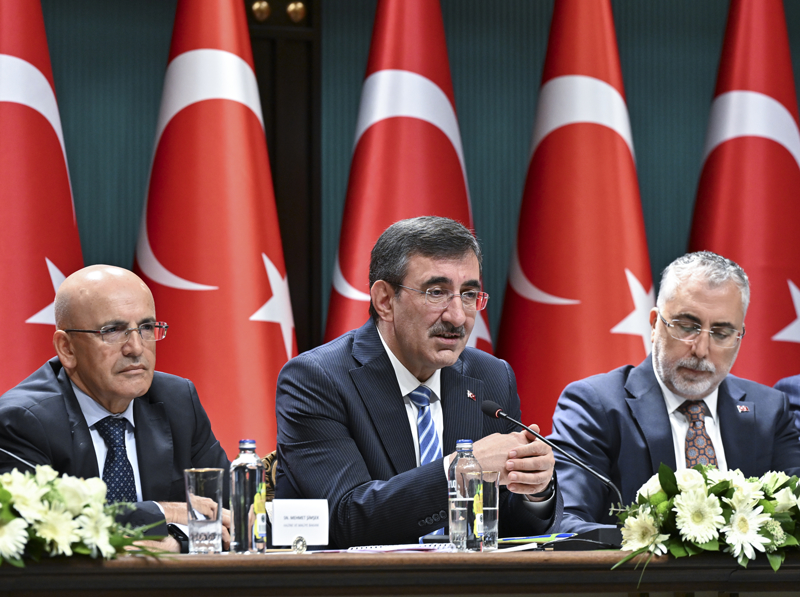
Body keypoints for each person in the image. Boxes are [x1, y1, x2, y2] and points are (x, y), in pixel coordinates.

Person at [276, 216, 562, 548]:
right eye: (436, 293)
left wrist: (535, 489)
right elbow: (346, 519)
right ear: (385, 301)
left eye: (469, 294)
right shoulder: (317, 379)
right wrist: (459, 471)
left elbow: (509, 527)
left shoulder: (491, 377)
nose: (458, 316)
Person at [549, 251, 800, 534]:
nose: (701, 350)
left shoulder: (769, 411)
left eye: (721, 333)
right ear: (654, 324)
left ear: (740, 336)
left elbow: (795, 518)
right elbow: (565, 523)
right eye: (687, 327)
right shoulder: (595, 405)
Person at [0, 265, 230, 550]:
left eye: (146, 328)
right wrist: (163, 512)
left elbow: (228, 514)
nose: (136, 347)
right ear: (67, 348)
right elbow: (38, 528)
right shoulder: (22, 421)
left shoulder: (177, 401)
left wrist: (176, 545)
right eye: (112, 331)